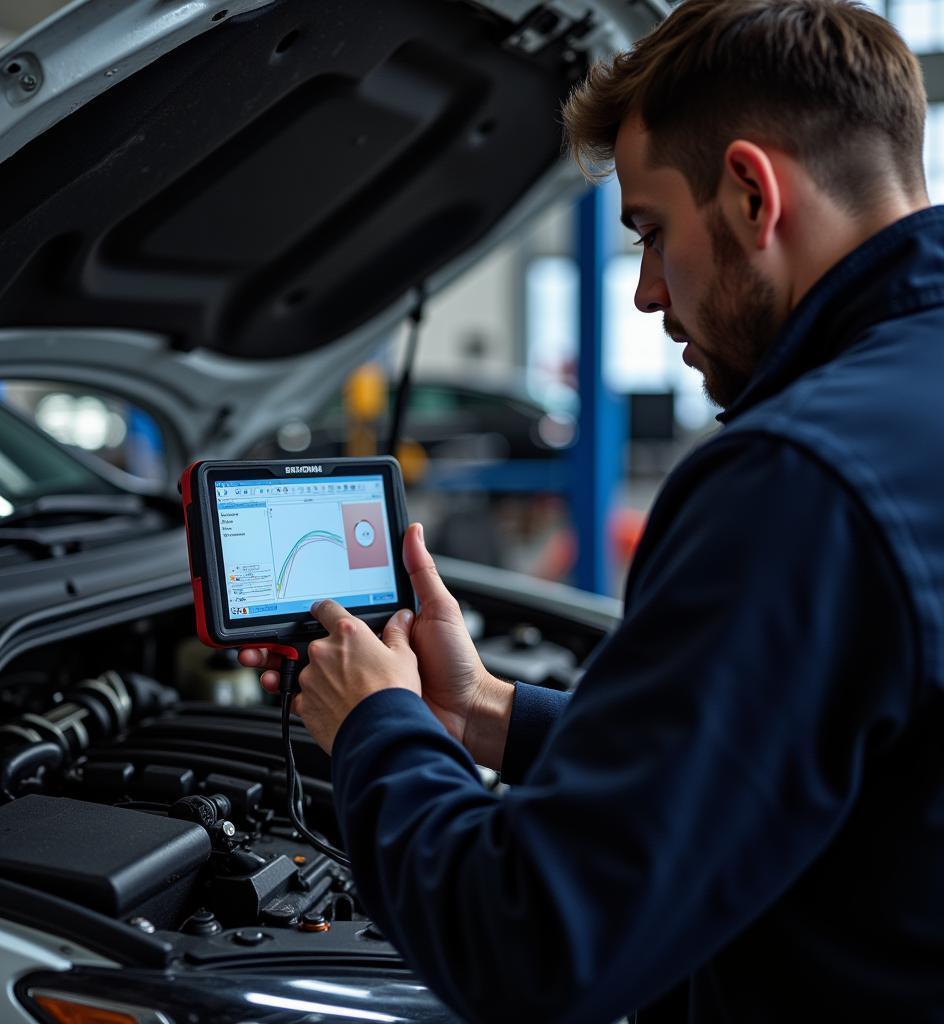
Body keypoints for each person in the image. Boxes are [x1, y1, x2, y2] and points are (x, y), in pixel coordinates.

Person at [241, 1, 944, 1020]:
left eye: (652, 232)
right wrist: (481, 712)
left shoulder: (798, 481)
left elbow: (532, 943)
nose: (647, 294)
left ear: (752, 192)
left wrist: (374, 729)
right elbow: (812, 754)